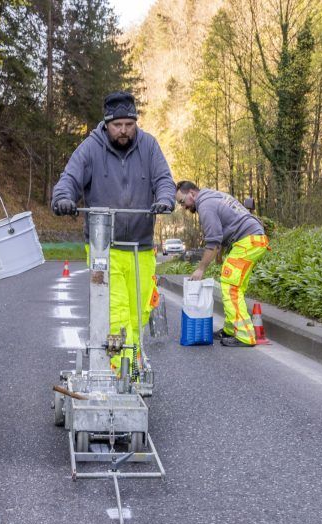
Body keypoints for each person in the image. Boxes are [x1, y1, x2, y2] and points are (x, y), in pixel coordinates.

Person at [51, 91, 175, 369]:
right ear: (106, 123)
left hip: (141, 247)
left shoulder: (150, 146)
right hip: (103, 247)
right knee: (115, 312)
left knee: (139, 314)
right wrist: (63, 199)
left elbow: (164, 179)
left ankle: (131, 359)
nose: (123, 131)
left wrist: (165, 199)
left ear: (135, 122)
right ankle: (124, 373)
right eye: (117, 125)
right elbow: (69, 178)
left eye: (129, 125)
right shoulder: (90, 148)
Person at [175, 180, 269, 348]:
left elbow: (213, 242)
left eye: (182, 202)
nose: (183, 207)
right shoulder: (213, 195)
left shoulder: (205, 205)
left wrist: (200, 269)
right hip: (253, 239)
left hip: (248, 241)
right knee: (234, 285)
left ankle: (244, 336)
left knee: (230, 286)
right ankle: (230, 328)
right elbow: (227, 227)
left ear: (192, 194)